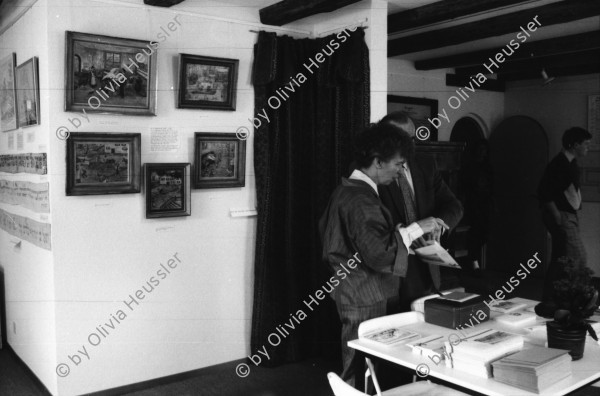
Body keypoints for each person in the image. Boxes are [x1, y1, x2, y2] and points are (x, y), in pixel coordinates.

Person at [319, 122, 448, 387]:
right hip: (365, 294)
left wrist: (398, 232)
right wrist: (415, 228)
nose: (401, 172)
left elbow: (359, 242)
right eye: (398, 164)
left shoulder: (349, 191)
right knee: (359, 366)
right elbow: (378, 255)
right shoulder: (361, 199)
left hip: (356, 291)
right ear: (378, 162)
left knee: (363, 364)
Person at [378, 112, 464, 311]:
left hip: (425, 265)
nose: (411, 145)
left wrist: (437, 225)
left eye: (413, 138)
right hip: (390, 269)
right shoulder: (373, 169)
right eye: (403, 139)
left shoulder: (425, 164)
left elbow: (454, 206)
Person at [538, 127, 591, 299]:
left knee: (563, 258)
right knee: (577, 257)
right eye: (586, 144)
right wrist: (557, 216)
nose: (587, 148)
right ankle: (570, 297)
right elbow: (545, 192)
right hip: (562, 216)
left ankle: (556, 297)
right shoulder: (559, 164)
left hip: (568, 215)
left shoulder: (570, 162)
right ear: (575, 145)